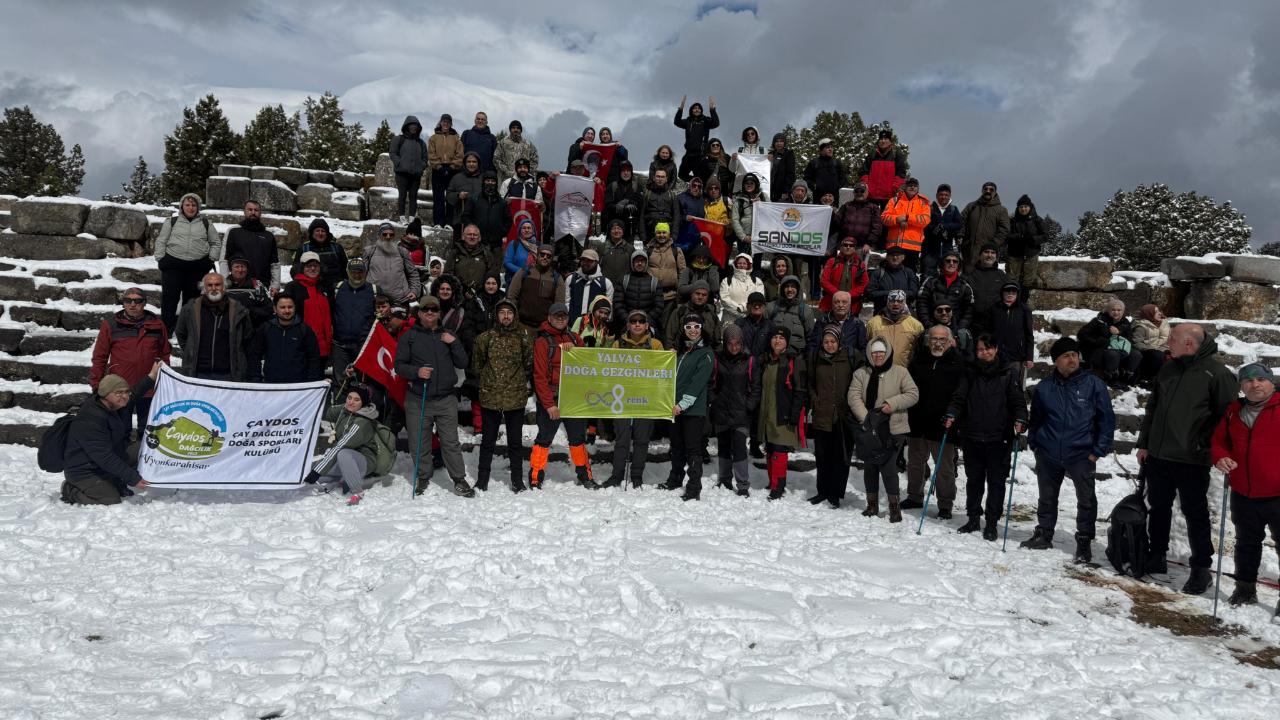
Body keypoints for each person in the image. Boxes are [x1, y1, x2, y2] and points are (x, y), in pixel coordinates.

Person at [1137, 323, 1238, 593]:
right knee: (1158, 507)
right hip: (1159, 455)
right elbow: (1153, 407)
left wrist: (1207, 447)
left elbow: (1227, 418)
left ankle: (1201, 568)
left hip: (1191, 458)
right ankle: (1156, 555)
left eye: (1172, 338)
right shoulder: (1168, 367)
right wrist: (1145, 443)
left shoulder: (1217, 374)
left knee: (1195, 514)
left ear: (1189, 344)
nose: (1168, 341)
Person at [1023, 337, 1115, 562]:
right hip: (1048, 452)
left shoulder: (1094, 385)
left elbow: (1107, 420)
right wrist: (1035, 444)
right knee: (1047, 497)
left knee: (1086, 500)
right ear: (1056, 361)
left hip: (1081, 453)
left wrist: (1098, 450)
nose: (1072, 359)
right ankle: (1044, 533)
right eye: (1066, 356)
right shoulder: (1045, 388)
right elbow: (1036, 420)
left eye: (1074, 354)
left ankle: (1084, 541)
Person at [946, 333, 1028, 539]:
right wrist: (952, 414)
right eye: (981, 349)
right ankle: (973, 518)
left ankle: (991, 522)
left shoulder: (1008, 372)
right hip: (972, 435)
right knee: (974, 480)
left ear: (996, 349)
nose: (984, 352)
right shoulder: (970, 371)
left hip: (999, 437)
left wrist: (1020, 419)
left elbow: (1018, 402)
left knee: (996, 482)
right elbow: (959, 398)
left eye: (988, 348)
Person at [1211, 364, 1280, 607]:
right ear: (1241, 386)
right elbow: (1219, 442)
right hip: (1243, 493)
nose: (1255, 384)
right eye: (1248, 380)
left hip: (1277, 493)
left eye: (1261, 379)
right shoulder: (1234, 411)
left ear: (1271, 382)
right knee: (1246, 544)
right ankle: (1245, 589)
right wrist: (1220, 457)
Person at [396, 297, 473, 497]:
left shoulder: (448, 335)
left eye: (434, 309)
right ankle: (423, 476)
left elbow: (463, 362)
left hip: (445, 399)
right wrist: (416, 372)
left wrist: (454, 343)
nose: (430, 312)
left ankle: (459, 479)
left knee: (450, 442)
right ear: (419, 313)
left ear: (439, 313)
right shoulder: (409, 337)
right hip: (418, 398)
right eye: (425, 309)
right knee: (419, 441)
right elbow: (399, 365)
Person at [60, 362, 160, 505]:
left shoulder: (115, 404)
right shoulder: (90, 419)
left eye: (126, 392)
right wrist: (133, 478)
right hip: (83, 471)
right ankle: (70, 490)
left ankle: (111, 479)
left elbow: (136, 392)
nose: (124, 396)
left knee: (144, 448)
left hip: (103, 462)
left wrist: (152, 376)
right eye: (119, 393)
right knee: (110, 499)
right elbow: (104, 457)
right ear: (105, 395)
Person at [529, 303, 598, 489]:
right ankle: (535, 475)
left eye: (564, 316)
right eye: (556, 316)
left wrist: (574, 351)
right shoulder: (542, 342)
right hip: (551, 398)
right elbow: (539, 376)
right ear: (549, 318)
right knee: (544, 438)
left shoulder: (575, 339)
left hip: (573, 398)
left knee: (578, 439)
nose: (560, 319)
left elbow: (586, 363)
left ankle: (585, 475)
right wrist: (549, 404)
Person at [849, 339, 919, 522]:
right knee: (870, 466)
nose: (878, 355)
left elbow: (913, 394)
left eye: (881, 352)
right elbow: (854, 397)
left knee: (888, 466)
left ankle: (894, 506)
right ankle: (871, 505)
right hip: (868, 428)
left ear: (887, 353)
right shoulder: (861, 374)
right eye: (874, 353)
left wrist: (892, 404)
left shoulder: (900, 372)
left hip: (894, 427)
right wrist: (867, 419)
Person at [89, 288, 170, 435]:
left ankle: (144, 457)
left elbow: (164, 355)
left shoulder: (157, 325)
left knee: (148, 431)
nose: (132, 304)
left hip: (149, 387)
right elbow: (100, 357)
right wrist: (96, 385)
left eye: (137, 301)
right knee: (120, 430)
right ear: (123, 303)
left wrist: (164, 382)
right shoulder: (111, 325)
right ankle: (121, 457)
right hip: (120, 388)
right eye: (128, 301)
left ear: (144, 303)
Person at [472, 298, 533, 493]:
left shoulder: (523, 338)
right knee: (488, 441)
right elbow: (477, 366)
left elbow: (528, 365)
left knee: (515, 443)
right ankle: (482, 479)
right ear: (497, 315)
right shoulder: (485, 338)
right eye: (502, 312)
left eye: (509, 312)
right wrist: (490, 382)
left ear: (514, 316)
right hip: (491, 397)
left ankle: (517, 480)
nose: (506, 316)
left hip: (515, 398)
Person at [902, 325, 964, 517]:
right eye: (934, 339)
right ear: (928, 340)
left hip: (943, 423)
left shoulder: (958, 363)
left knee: (944, 466)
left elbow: (960, 394)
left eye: (942, 339)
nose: (937, 343)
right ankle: (914, 495)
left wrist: (953, 413)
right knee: (915, 462)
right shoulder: (919, 360)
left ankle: (945, 503)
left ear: (950, 341)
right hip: (918, 420)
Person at [605, 309, 665, 489]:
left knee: (641, 440)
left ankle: (637, 476)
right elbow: (608, 369)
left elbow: (663, 370)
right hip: (622, 399)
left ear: (647, 325)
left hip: (645, 399)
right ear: (628, 325)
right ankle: (617, 475)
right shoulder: (618, 344)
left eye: (641, 321)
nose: (637, 324)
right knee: (622, 439)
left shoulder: (655, 345)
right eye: (633, 321)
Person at [659, 314, 715, 501]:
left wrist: (682, 404)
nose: (692, 330)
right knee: (677, 447)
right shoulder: (681, 353)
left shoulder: (705, 353)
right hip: (674, 408)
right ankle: (675, 479)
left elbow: (697, 383)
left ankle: (693, 488)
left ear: (701, 328)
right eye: (688, 326)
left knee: (693, 449)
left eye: (696, 326)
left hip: (692, 410)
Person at [305, 385, 385, 506]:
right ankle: (344, 478)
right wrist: (323, 389)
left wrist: (317, 472)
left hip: (363, 461)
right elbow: (329, 412)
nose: (351, 402)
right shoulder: (346, 410)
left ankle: (357, 491)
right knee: (308, 469)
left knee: (341, 455)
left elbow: (340, 446)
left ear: (363, 403)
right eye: (349, 397)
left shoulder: (362, 423)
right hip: (343, 459)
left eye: (356, 400)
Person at [753, 326, 808, 500]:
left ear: (787, 342)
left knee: (779, 450)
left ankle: (779, 486)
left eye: (781, 338)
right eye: (775, 337)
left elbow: (800, 389)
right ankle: (772, 481)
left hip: (782, 412)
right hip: (766, 412)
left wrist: (794, 413)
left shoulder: (794, 360)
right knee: (770, 448)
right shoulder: (766, 361)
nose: (777, 341)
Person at [155, 192, 221, 334]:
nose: (190, 208)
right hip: (173, 266)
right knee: (169, 299)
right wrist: (161, 259)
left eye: (193, 205)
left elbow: (215, 243)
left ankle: (186, 330)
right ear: (182, 206)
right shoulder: (171, 222)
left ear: (198, 207)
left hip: (196, 268)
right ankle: (165, 330)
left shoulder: (206, 223)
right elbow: (161, 241)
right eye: (187, 204)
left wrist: (210, 260)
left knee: (191, 301)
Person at [809, 325, 857, 508]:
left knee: (841, 456)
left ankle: (835, 494)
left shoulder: (850, 357)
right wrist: (816, 401)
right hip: (822, 414)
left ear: (840, 341)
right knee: (822, 456)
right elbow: (811, 382)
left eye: (833, 341)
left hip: (844, 416)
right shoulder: (816, 358)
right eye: (826, 342)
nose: (829, 345)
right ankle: (822, 491)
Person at [174, 273, 252, 381]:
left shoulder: (238, 310)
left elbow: (247, 336)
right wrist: (190, 350)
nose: (214, 288)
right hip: (197, 374)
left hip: (228, 375)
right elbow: (181, 333)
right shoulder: (190, 308)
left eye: (217, 284)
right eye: (209, 285)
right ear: (204, 288)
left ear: (224, 287)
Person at [711, 324, 753, 497]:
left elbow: (755, 387)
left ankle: (742, 484)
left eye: (737, 343)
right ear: (725, 343)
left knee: (739, 447)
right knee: (724, 446)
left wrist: (748, 405)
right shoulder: (717, 359)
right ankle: (725, 478)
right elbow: (711, 384)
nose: (734, 347)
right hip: (721, 410)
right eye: (730, 343)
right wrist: (714, 400)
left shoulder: (749, 360)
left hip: (740, 411)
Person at [246, 293, 322, 383]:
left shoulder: (304, 330)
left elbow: (314, 358)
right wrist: (256, 378)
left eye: (290, 307)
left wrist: (311, 382)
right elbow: (254, 354)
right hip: (272, 384)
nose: (287, 311)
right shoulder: (266, 328)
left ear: (295, 308)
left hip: (299, 386)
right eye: (282, 307)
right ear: (275, 309)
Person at [329, 257, 378, 383]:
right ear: (348, 272)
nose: (357, 275)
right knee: (341, 380)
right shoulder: (337, 289)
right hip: (340, 345)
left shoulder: (374, 291)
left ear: (365, 272)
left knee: (363, 381)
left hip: (363, 346)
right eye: (353, 272)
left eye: (360, 271)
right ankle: (340, 402)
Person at [1077, 297, 1141, 388]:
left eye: (1119, 310)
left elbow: (1129, 339)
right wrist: (1099, 341)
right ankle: (1111, 378)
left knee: (1136, 354)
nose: (1116, 312)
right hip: (1098, 349)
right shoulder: (1099, 321)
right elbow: (1081, 334)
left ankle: (1127, 376)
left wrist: (1119, 333)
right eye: (1113, 310)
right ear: (1108, 310)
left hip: (1120, 348)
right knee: (1113, 354)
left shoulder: (1125, 322)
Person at [283, 252, 334, 366]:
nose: (312, 268)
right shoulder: (293, 287)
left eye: (315, 265)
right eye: (308, 265)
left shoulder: (324, 286)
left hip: (323, 347)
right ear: (302, 268)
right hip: (300, 345)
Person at [219, 199, 279, 292]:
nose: (253, 212)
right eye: (250, 210)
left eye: (256, 210)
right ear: (244, 211)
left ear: (260, 213)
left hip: (261, 284)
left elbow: (274, 263)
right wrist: (224, 281)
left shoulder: (268, 235)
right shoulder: (234, 231)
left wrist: (276, 285)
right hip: (237, 285)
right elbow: (224, 259)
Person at [917, 248, 975, 343]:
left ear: (958, 265)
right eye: (948, 261)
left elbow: (969, 309)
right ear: (942, 263)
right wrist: (928, 325)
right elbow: (921, 304)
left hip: (956, 328)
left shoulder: (964, 285)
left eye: (955, 261)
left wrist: (961, 327)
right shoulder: (931, 282)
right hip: (932, 326)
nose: (951, 263)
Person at [506, 243, 565, 330]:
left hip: (545, 327)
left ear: (552, 259)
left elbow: (559, 305)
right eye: (542, 254)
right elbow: (511, 296)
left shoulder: (556, 278)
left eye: (548, 256)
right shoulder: (524, 272)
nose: (545, 257)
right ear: (537, 255)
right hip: (522, 324)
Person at [365, 223, 421, 305]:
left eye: (391, 235)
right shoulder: (369, 251)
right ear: (379, 235)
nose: (388, 237)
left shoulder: (402, 252)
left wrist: (414, 291)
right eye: (385, 234)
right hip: (375, 300)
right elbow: (362, 274)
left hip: (400, 300)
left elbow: (413, 273)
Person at [613, 250, 665, 339]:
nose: (639, 263)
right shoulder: (623, 280)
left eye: (642, 261)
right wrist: (629, 321)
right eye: (637, 261)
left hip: (648, 325)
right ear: (632, 262)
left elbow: (659, 306)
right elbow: (618, 303)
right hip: (626, 325)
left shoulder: (655, 282)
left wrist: (644, 322)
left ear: (646, 263)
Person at [867, 289, 924, 367]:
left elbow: (919, 351)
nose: (895, 304)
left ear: (904, 303)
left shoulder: (915, 325)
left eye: (900, 301)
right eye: (892, 301)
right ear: (887, 302)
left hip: (905, 372)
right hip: (878, 370)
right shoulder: (873, 323)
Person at [961, 182, 1010, 272]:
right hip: (969, 250)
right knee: (967, 277)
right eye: (986, 189)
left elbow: (1004, 230)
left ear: (995, 192)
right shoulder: (971, 206)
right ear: (982, 191)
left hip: (989, 252)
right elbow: (961, 221)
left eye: (991, 189)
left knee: (987, 276)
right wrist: (962, 237)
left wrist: (993, 244)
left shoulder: (1001, 210)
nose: (988, 191)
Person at [807, 290, 867, 364]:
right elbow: (813, 346)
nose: (840, 305)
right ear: (832, 304)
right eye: (837, 302)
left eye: (844, 302)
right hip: (826, 364)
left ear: (849, 304)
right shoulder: (822, 322)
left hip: (849, 365)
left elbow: (863, 349)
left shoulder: (857, 324)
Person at [990, 281, 1034, 378]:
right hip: (996, 356)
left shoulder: (1024, 310)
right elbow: (988, 331)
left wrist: (1029, 357)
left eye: (1013, 291)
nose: (1010, 294)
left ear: (1017, 294)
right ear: (1002, 293)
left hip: (1016, 357)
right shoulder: (994, 309)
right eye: (1007, 291)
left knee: (1014, 387)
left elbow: (1029, 335)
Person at [290, 218, 349, 290]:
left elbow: (346, 268)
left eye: (323, 231)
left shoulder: (337, 247)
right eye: (317, 231)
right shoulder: (303, 248)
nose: (320, 233)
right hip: (312, 287)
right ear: (312, 233)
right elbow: (295, 270)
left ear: (327, 233)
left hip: (336, 287)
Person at [428, 113, 464, 227]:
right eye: (444, 121)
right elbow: (431, 154)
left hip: (452, 170)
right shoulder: (433, 138)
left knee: (450, 197)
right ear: (440, 122)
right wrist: (439, 167)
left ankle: (449, 222)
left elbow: (460, 155)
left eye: (448, 122)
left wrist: (451, 167)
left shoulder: (456, 139)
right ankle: (438, 221)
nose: (446, 124)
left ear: (451, 124)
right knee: (438, 198)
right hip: (437, 170)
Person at [390, 115, 428, 221]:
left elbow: (425, 158)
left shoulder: (421, 143)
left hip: (415, 174)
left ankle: (411, 218)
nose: (414, 127)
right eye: (411, 125)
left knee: (413, 197)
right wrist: (399, 163)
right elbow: (393, 153)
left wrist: (421, 166)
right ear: (406, 126)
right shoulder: (399, 139)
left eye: (415, 125)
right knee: (402, 195)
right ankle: (402, 218)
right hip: (401, 173)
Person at [673, 95, 720, 181]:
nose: (697, 109)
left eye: (699, 108)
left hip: (700, 155)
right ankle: (694, 182)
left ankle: (698, 185)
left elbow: (716, 123)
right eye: (695, 108)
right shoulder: (688, 121)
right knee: (681, 175)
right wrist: (680, 109)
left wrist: (712, 110)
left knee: (701, 177)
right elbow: (677, 122)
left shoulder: (705, 120)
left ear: (701, 110)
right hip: (688, 154)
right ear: (691, 110)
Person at [1006, 194, 1045, 293]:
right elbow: (1006, 236)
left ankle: (1023, 302)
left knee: (1028, 280)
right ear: (1018, 208)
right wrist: (1019, 236)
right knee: (1012, 279)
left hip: (1031, 254)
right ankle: (1012, 301)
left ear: (1030, 207)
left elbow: (1045, 236)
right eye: (1021, 207)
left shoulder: (1037, 220)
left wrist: (1033, 239)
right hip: (1014, 254)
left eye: (1025, 206)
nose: (1023, 209)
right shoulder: (1012, 221)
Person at [766, 275, 814, 355]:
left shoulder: (805, 310)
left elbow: (811, 337)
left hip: (797, 355)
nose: (790, 290)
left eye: (793, 287)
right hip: (774, 353)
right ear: (782, 289)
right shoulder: (771, 307)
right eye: (787, 287)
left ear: (798, 289)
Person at [859, 130, 908, 208]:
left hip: (888, 197)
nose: (883, 141)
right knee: (870, 219)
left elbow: (901, 174)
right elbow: (864, 171)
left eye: (885, 139)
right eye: (881, 139)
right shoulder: (872, 154)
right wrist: (866, 185)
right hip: (871, 196)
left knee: (886, 219)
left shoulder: (896, 155)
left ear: (890, 141)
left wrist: (894, 187)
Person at [923, 184, 963, 279]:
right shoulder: (929, 208)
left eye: (946, 195)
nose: (943, 197)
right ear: (937, 195)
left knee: (947, 273)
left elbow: (959, 224)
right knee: (928, 273)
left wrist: (945, 226)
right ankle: (927, 291)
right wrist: (934, 228)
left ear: (949, 196)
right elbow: (924, 223)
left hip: (947, 246)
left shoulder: (954, 209)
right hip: (930, 247)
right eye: (941, 194)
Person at [466, 170, 512, 252]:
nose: (490, 183)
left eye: (493, 181)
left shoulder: (502, 202)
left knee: (495, 264)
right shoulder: (474, 199)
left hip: (496, 244)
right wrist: (473, 231)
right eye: (487, 180)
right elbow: (466, 216)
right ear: (483, 182)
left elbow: (508, 221)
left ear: (496, 183)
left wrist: (501, 232)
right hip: (477, 243)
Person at [966, 245, 1010, 331]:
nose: (989, 255)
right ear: (980, 255)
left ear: (996, 257)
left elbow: (1009, 296)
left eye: (993, 252)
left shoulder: (1001, 275)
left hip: (996, 321)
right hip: (974, 322)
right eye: (986, 252)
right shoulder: (970, 274)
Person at [819, 238, 869, 312]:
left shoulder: (860, 264)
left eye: (851, 245)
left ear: (855, 248)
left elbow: (865, 283)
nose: (848, 247)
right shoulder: (832, 262)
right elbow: (824, 281)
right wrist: (837, 293)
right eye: (845, 245)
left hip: (852, 304)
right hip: (832, 302)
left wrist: (849, 295)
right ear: (841, 247)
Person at [665, 280, 720, 347]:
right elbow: (669, 338)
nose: (700, 297)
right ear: (691, 294)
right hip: (682, 352)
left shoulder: (711, 313)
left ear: (707, 297)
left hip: (706, 352)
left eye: (704, 295)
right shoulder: (680, 312)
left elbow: (717, 340)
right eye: (697, 293)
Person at [866, 246, 919, 314]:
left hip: (904, 315)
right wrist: (891, 294)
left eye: (898, 255)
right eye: (892, 255)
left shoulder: (909, 273)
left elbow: (914, 293)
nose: (895, 258)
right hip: (882, 313)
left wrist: (896, 294)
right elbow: (870, 293)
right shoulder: (878, 273)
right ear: (887, 257)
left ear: (903, 257)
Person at [223, 256, 272, 329]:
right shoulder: (222, 285)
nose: (240, 270)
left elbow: (268, 307)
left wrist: (250, 311)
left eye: (243, 267)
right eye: (237, 267)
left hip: (252, 326)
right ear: (231, 269)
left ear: (247, 270)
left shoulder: (257, 284)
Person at [835, 182, 883, 253]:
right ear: (853, 193)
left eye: (862, 191)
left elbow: (877, 228)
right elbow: (836, 222)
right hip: (846, 245)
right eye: (857, 191)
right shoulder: (846, 206)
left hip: (863, 247)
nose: (859, 193)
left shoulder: (874, 208)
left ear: (867, 192)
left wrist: (868, 243)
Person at [446, 152, 484, 239]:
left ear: (478, 163)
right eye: (469, 161)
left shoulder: (483, 178)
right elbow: (448, 195)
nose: (471, 164)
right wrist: (458, 195)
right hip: (460, 220)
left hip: (479, 219)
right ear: (465, 163)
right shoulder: (457, 178)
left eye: (474, 162)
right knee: (460, 246)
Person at [566, 248, 613, 319]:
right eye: (583, 260)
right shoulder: (571, 279)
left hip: (595, 326)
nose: (585, 263)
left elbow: (609, 307)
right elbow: (566, 301)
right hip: (572, 324)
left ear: (597, 262)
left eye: (589, 261)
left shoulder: (606, 283)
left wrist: (605, 322)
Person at [646, 222, 686, 304]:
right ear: (655, 234)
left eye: (664, 232)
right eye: (659, 232)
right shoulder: (648, 250)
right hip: (651, 295)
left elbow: (682, 272)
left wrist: (680, 292)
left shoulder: (676, 250)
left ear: (669, 234)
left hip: (671, 296)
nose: (661, 235)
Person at [1131, 303, 1171, 384]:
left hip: (1164, 348)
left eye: (1159, 311)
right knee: (1157, 356)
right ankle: (1153, 379)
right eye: (1156, 312)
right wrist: (1152, 349)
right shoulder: (1141, 326)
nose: (1160, 313)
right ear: (1149, 314)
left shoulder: (1164, 323)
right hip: (1148, 351)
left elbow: (1169, 338)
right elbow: (1137, 342)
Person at [720, 252, 765, 323]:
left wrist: (743, 308)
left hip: (750, 319)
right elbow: (724, 299)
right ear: (735, 264)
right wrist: (738, 309)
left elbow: (759, 298)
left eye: (744, 263)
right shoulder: (727, 280)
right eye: (739, 263)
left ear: (748, 265)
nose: (742, 265)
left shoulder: (756, 281)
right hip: (730, 319)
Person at [604, 161, 644, 240]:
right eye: (623, 171)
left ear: (631, 172)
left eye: (628, 171)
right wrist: (616, 207)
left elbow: (640, 201)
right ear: (619, 172)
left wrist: (629, 202)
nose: (626, 173)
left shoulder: (637, 186)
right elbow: (607, 204)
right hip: (615, 225)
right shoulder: (612, 186)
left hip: (631, 226)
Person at [641, 169, 681, 245]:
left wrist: (674, 236)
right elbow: (642, 216)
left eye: (662, 177)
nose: (660, 179)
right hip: (650, 234)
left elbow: (676, 216)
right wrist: (643, 236)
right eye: (658, 176)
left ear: (666, 179)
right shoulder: (647, 194)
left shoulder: (672, 195)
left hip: (667, 235)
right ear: (653, 178)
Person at [804, 138, 848, 205]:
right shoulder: (814, 163)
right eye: (827, 147)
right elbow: (807, 178)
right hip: (818, 197)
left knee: (833, 214)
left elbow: (843, 178)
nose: (830, 149)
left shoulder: (837, 163)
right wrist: (814, 186)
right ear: (821, 150)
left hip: (833, 197)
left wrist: (836, 186)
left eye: (831, 147)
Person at [731, 172, 766, 256]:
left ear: (756, 184)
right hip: (744, 237)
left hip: (759, 236)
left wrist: (762, 204)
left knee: (757, 263)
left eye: (751, 183)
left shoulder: (763, 197)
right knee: (743, 261)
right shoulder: (738, 200)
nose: (749, 185)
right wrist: (743, 237)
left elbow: (770, 213)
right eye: (747, 183)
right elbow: (735, 220)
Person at [594, 219, 634, 291]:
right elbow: (596, 266)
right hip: (604, 286)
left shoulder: (630, 248)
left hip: (624, 288)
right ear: (610, 231)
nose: (616, 231)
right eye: (613, 229)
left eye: (619, 228)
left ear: (623, 231)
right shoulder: (602, 247)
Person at [504, 217, 539, 283]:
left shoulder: (538, 246)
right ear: (520, 230)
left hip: (534, 281)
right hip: (516, 280)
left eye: (529, 228)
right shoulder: (514, 244)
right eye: (524, 228)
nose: (526, 230)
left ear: (533, 230)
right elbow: (507, 263)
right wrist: (522, 271)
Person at [768, 132, 796, 202]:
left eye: (781, 141)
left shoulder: (789, 154)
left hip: (782, 190)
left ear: (784, 143)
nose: (779, 143)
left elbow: (791, 174)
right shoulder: (770, 155)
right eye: (777, 141)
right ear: (774, 143)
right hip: (770, 188)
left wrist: (786, 190)